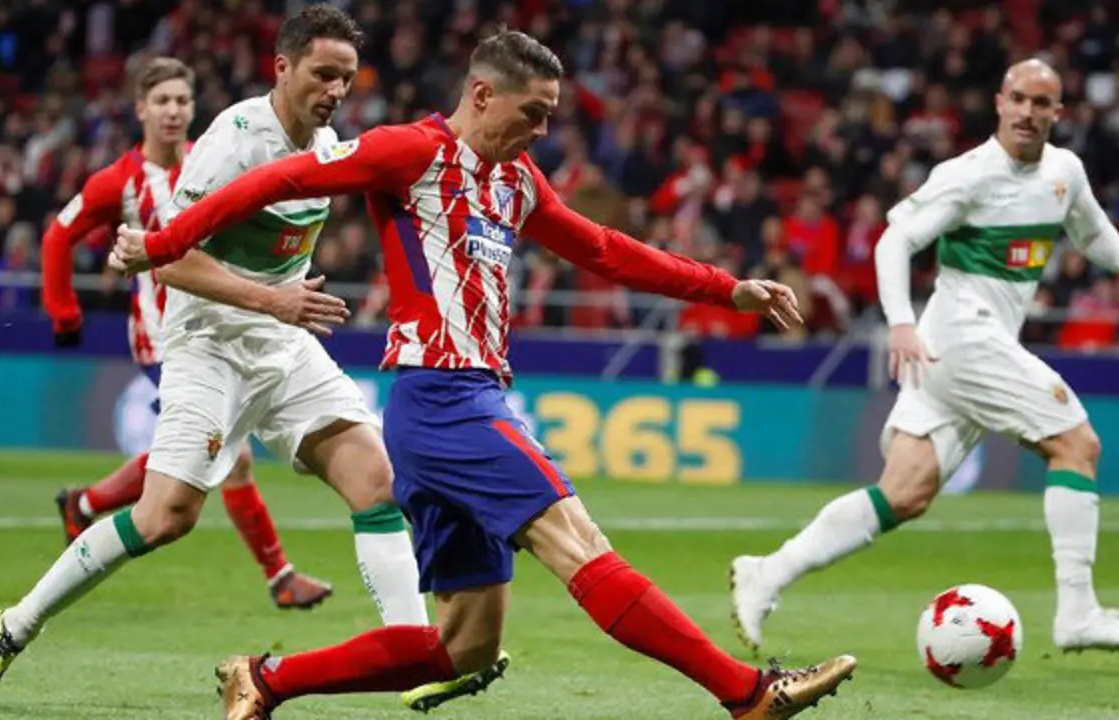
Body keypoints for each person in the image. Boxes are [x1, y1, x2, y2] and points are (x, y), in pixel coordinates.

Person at [108, 29, 856, 720]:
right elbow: (276, 180)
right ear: (482, 95)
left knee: (462, 648)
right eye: (531, 114)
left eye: (550, 117)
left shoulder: (516, 180)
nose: (540, 131)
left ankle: (267, 680)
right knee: (577, 541)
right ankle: (747, 694)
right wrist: (167, 239)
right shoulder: (409, 151)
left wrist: (727, 289)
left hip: (463, 402)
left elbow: (605, 249)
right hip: (443, 395)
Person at [0, 7, 507, 711]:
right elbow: (172, 261)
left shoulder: (330, 140)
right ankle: (15, 624)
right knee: (166, 518)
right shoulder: (234, 142)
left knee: (376, 480)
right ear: (282, 68)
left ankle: (413, 652)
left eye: (346, 77)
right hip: (210, 344)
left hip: (281, 345)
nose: (337, 89)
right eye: (323, 74)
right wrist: (272, 299)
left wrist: (280, 310)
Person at [729, 59, 1119, 656]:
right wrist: (900, 323)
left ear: (1057, 113)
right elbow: (895, 241)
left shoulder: (1064, 172)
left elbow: (1092, 235)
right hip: (962, 336)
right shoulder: (967, 175)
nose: (1027, 112)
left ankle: (768, 573)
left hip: (964, 347)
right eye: (1017, 98)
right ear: (998, 101)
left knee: (904, 493)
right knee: (1078, 444)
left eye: (1041, 103)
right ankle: (1077, 612)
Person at [40, 55, 333, 612]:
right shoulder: (118, 182)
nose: (173, 112)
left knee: (204, 456)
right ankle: (280, 575)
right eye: (162, 101)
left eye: (182, 101)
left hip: (229, 324)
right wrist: (64, 313)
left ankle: (85, 504)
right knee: (233, 456)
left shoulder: (215, 157)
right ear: (141, 110)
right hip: (168, 332)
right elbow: (58, 236)